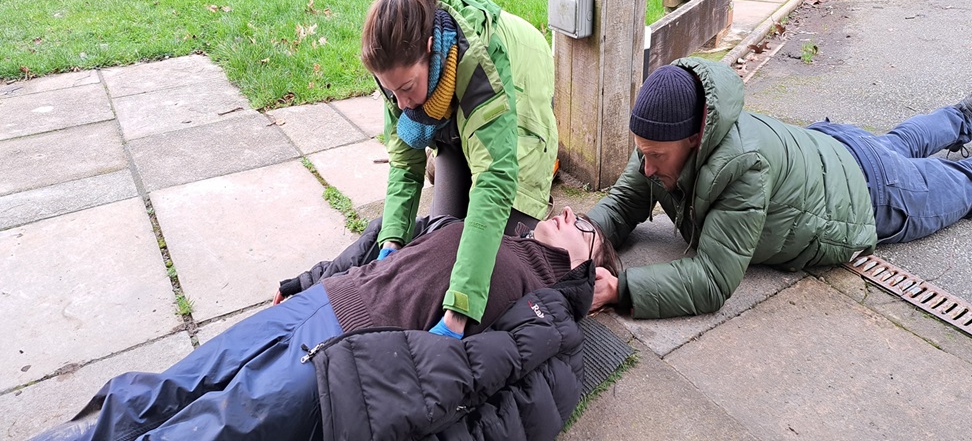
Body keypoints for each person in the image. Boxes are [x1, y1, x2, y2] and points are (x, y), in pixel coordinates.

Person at [32, 208, 614, 441]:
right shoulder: (492, 219)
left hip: (339, 354)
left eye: (583, 225)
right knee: (171, 385)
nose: (570, 213)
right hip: (319, 304)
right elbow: (385, 236)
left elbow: (509, 389)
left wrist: (588, 293)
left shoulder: (541, 306)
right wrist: (305, 281)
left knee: (208, 430)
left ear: (591, 262)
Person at [587, 57, 972, 318]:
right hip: (835, 147)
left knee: (971, 183)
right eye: (642, 152)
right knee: (896, 144)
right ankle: (968, 115)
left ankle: (971, 124)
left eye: (655, 155)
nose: (646, 165)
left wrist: (621, 289)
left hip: (869, 194)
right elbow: (624, 204)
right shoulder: (662, 135)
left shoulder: (742, 167)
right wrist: (583, 232)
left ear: (695, 137)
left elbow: (712, 279)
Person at [360, 0, 559, 339]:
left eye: (405, 89)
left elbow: (496, 180)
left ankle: (543, 170)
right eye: (390, 89)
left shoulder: (477, 63)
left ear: (432, 50)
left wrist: (459, 310)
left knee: (509, 255)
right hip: (457, 110)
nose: (399, 102)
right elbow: (404, 163)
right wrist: (392, 240)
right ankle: (458, 151)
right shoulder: (394, 69)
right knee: (440, 240)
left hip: (521, 81)